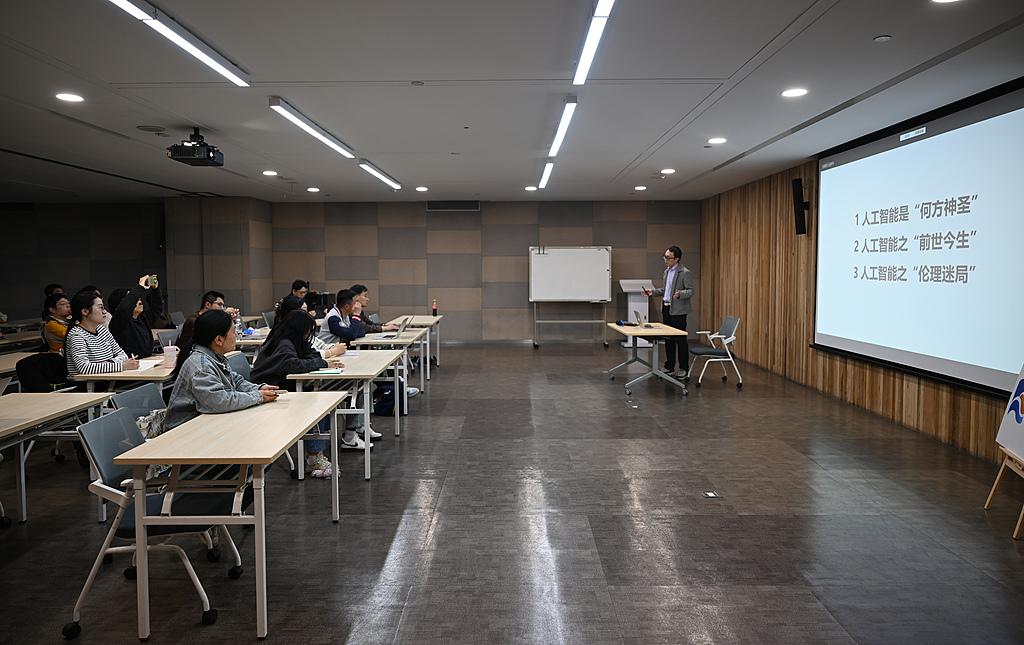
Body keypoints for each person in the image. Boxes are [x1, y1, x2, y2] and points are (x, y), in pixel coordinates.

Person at [251, 310, 356, 476]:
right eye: (307, 331)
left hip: (283, 386)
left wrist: (320, 361)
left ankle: (316, 450)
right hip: (272, 390)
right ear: (299, 329)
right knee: (311, 405)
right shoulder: (284, 343)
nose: (308, 335)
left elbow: (309, 354)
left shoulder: (292, 340)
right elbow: (294, 365)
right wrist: (322, 363)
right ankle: (314, 458)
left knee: (322, 399)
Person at [165, 309, 279, 431]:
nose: (236, 335)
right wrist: (257, 397)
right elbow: (220, 402)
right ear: (219, 340)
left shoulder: (214, 356)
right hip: (185, 430)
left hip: (208, 423)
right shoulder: (201, 366)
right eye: (233, 332)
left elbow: (235, 381)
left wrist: (257, 388)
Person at [64, 290, 139, 382]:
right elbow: (84, 368)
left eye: (104, 308)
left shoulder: (101, 329)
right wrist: (122, 366)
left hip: (107, 380)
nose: (105, 312)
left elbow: (122, 354)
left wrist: (112, 362)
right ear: (85, 311)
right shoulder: (77, 335)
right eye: (100, 308)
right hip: (87, 386)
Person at [641, 246, 694, 377]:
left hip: (679, 311)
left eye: (668, 257)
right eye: (664, 256)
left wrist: (680, 294)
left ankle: (683, 368)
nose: (665, 259)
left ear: (677, 259)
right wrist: (653, 292)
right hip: (667, 308)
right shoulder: (667, 271)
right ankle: (669, 366)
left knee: (680, 340)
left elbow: (691, 291)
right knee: (668, 339)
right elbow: (666, 290)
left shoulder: (684, 272)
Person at [108, 275, 163, 359]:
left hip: (147, 361)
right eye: (134, 299)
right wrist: (140, 287)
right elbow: (123, 309)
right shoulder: (119, 322)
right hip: (129, 363)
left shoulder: (142, 318)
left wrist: (155, 289)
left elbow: (157, 308)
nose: (139, 299)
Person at [278, 295, 346, 359]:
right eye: (304, 310)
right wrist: (332, 351)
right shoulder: (288, 335)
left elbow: (319, 344)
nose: (307, 314)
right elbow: (307, 355)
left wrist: (333, 347)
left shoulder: (301, 330)